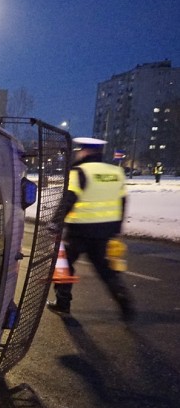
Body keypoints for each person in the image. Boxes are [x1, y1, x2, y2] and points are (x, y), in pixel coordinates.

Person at [47, 137, 135, 322]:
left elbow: (68, 200)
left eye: (80, 150)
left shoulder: (79, 172)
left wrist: (55, 222)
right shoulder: (116, 172)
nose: (78, 153)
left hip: (79, 231)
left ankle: (63, 303)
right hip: (104, 232)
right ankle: (124, 301)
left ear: (86, 152)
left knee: (64, 265)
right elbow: (123, 200)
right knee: (104, 269)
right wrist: (116, 228)